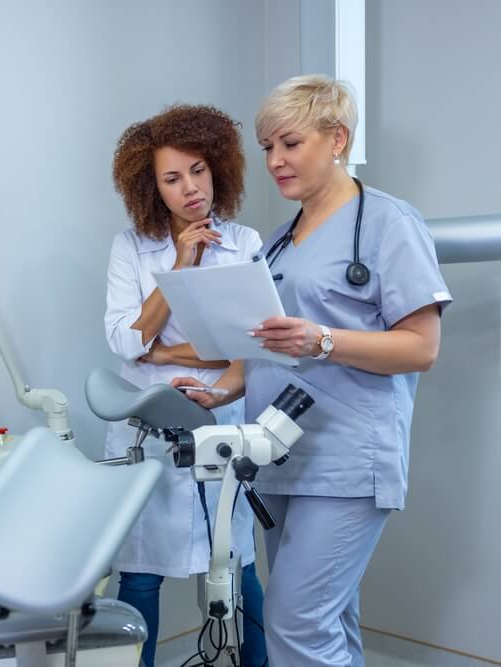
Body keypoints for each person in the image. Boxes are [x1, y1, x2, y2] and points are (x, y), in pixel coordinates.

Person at [173, 75, 451, 667]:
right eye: (267, 146)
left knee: (295, 622)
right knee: (330, 619)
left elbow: (421, 347)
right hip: (279, 456)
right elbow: (265, 353)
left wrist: (322, 339)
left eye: (290, 143)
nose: (274, 161)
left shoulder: (388, 224)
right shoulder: (276, 244)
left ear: (337, 139)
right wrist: (216, 389)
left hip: (347, 457)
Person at [105, 104, 267, 667]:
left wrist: (166, 348)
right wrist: (179, 263)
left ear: (216, 167)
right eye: (172, 178)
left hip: (219, 416)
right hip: (147, 427)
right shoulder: (131, 248)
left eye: (197, 170)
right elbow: (125, 344)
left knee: (236, 562)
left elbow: (251, 348)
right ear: (151, 188)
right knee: (141, 573)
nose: (190, 188)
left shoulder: (244, 242)